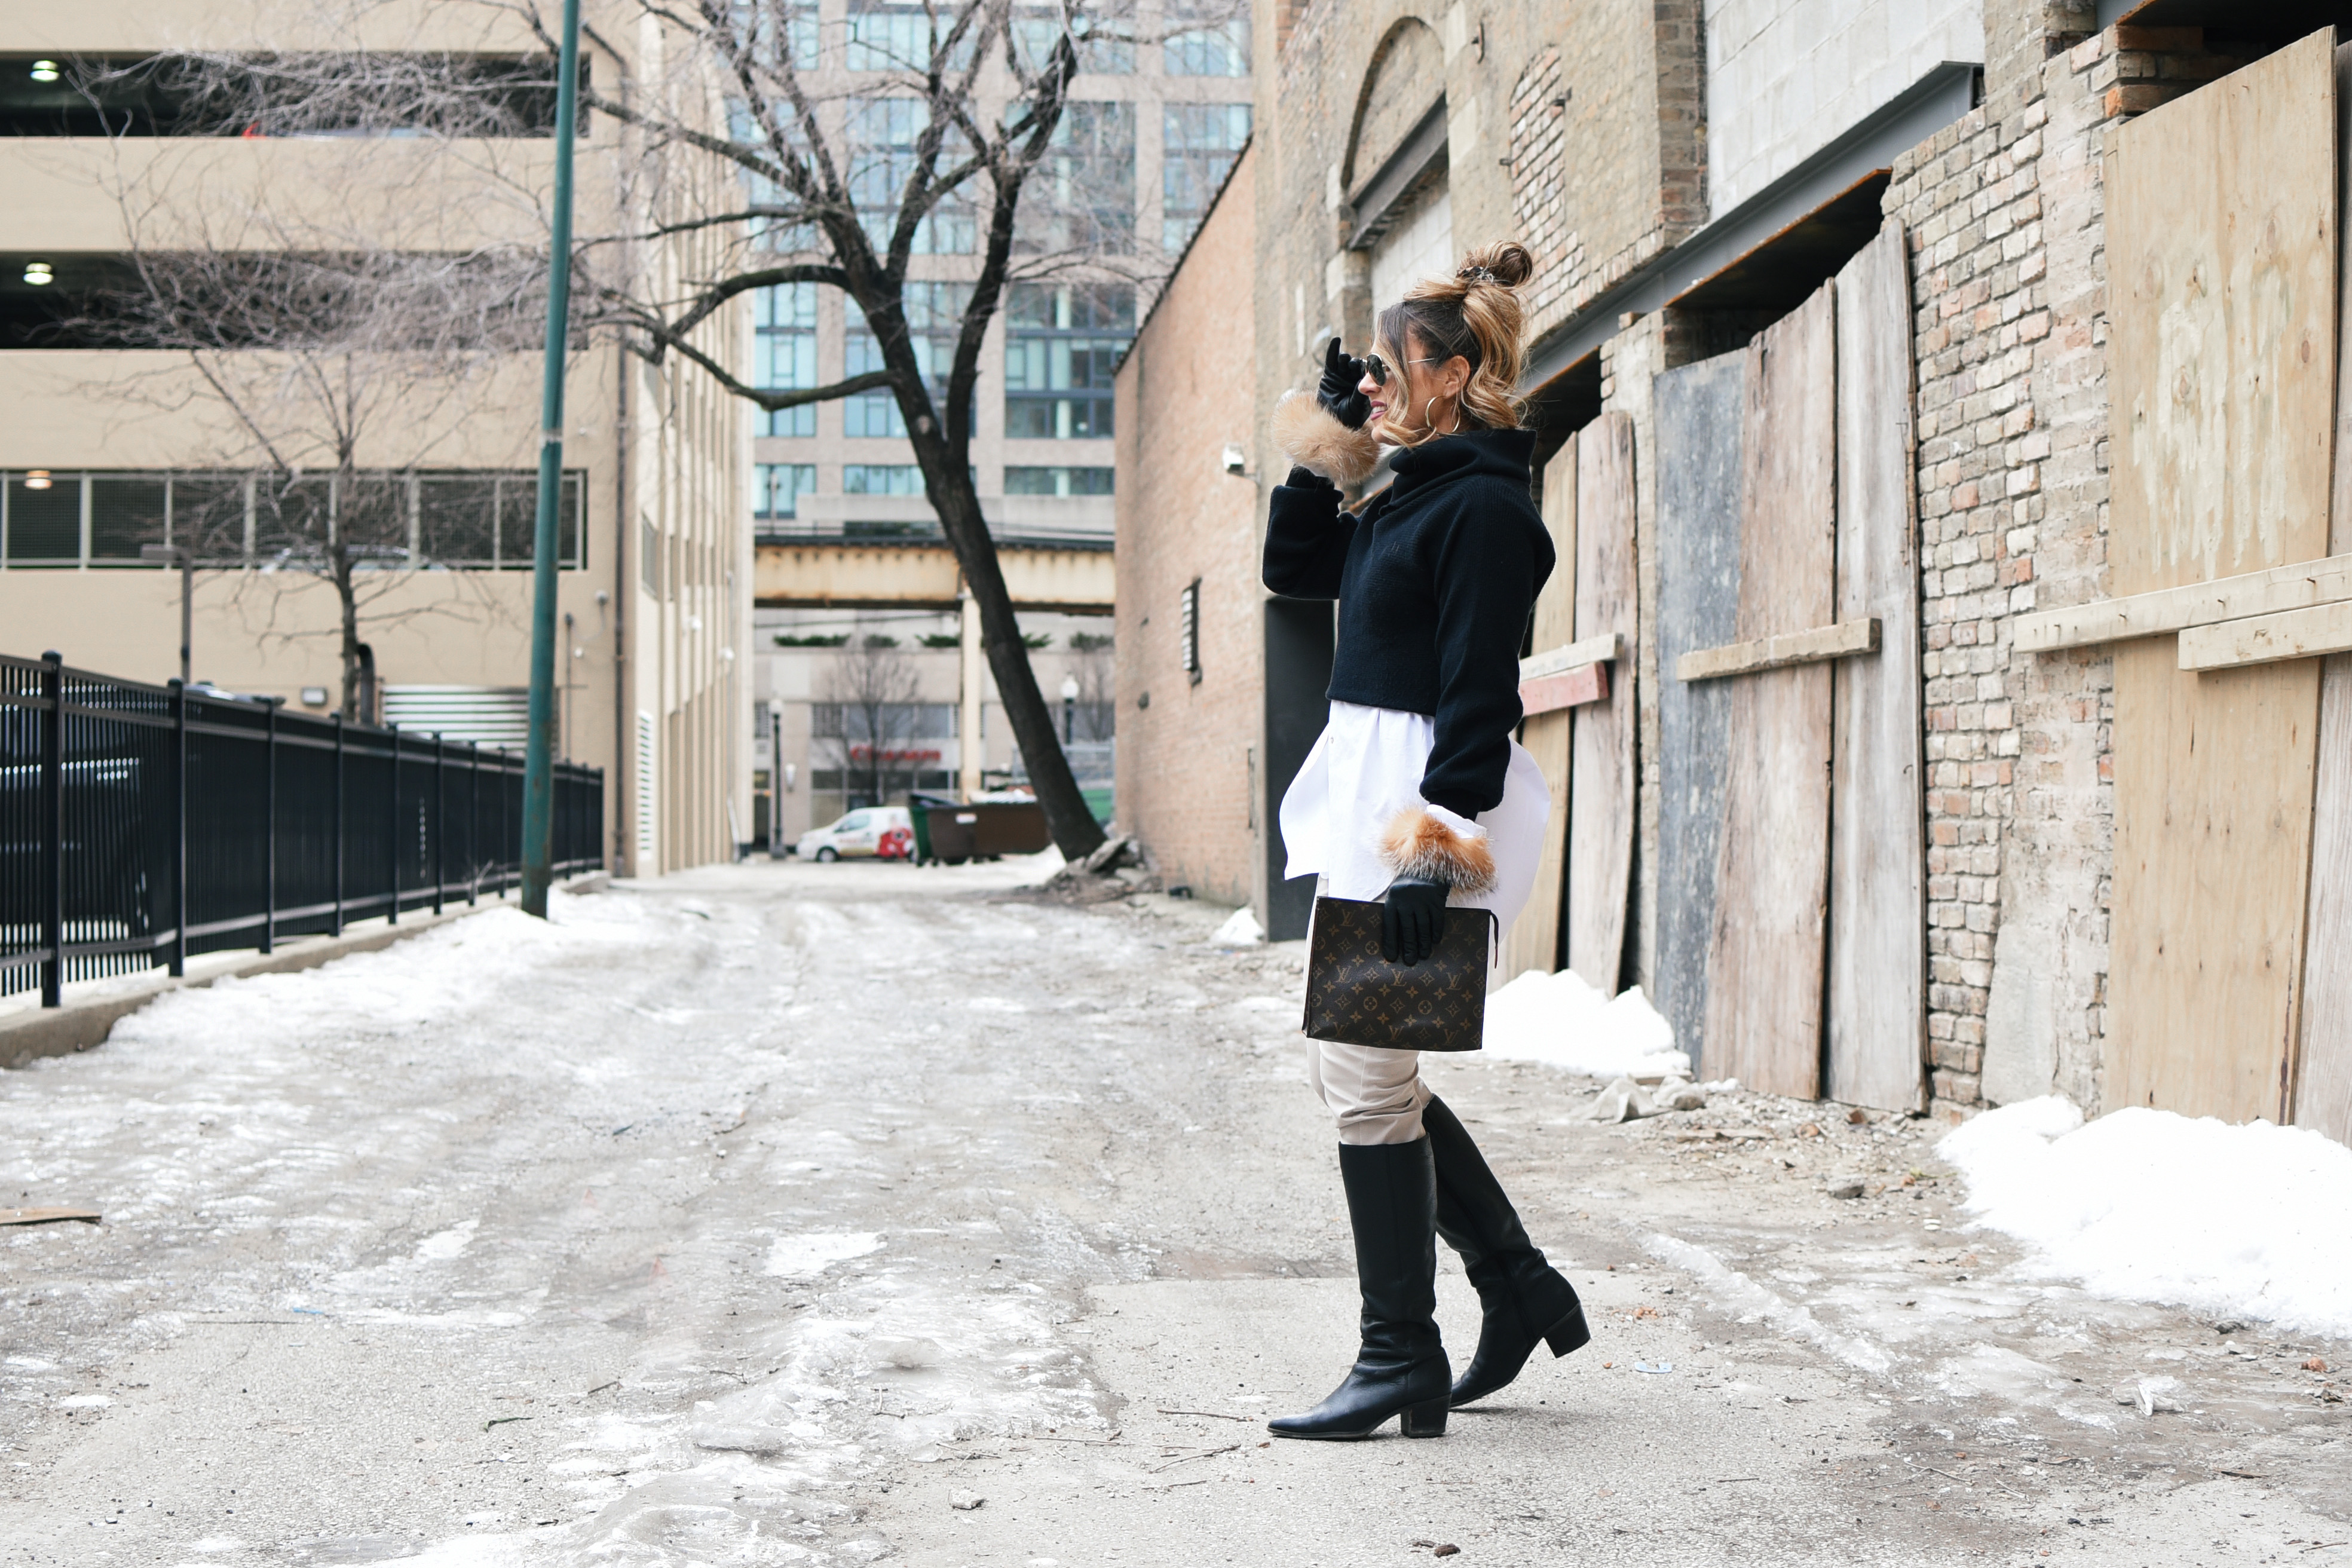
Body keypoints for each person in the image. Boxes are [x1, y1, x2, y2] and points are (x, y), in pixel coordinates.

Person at [1260, 240, 1591, 1442]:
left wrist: (1433, 850)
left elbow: (1480, 694)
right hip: (1379, 797)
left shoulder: (1488, 510)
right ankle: (1514, 1285)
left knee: (1360, 1072)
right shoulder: (1408, 488)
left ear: (1454, 374)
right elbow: (1293, 568)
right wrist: (1330, 440)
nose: (1380, 390)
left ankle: (1401, 1351)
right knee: (1366, 1068)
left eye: (1395, 372)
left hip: (1431, 805)